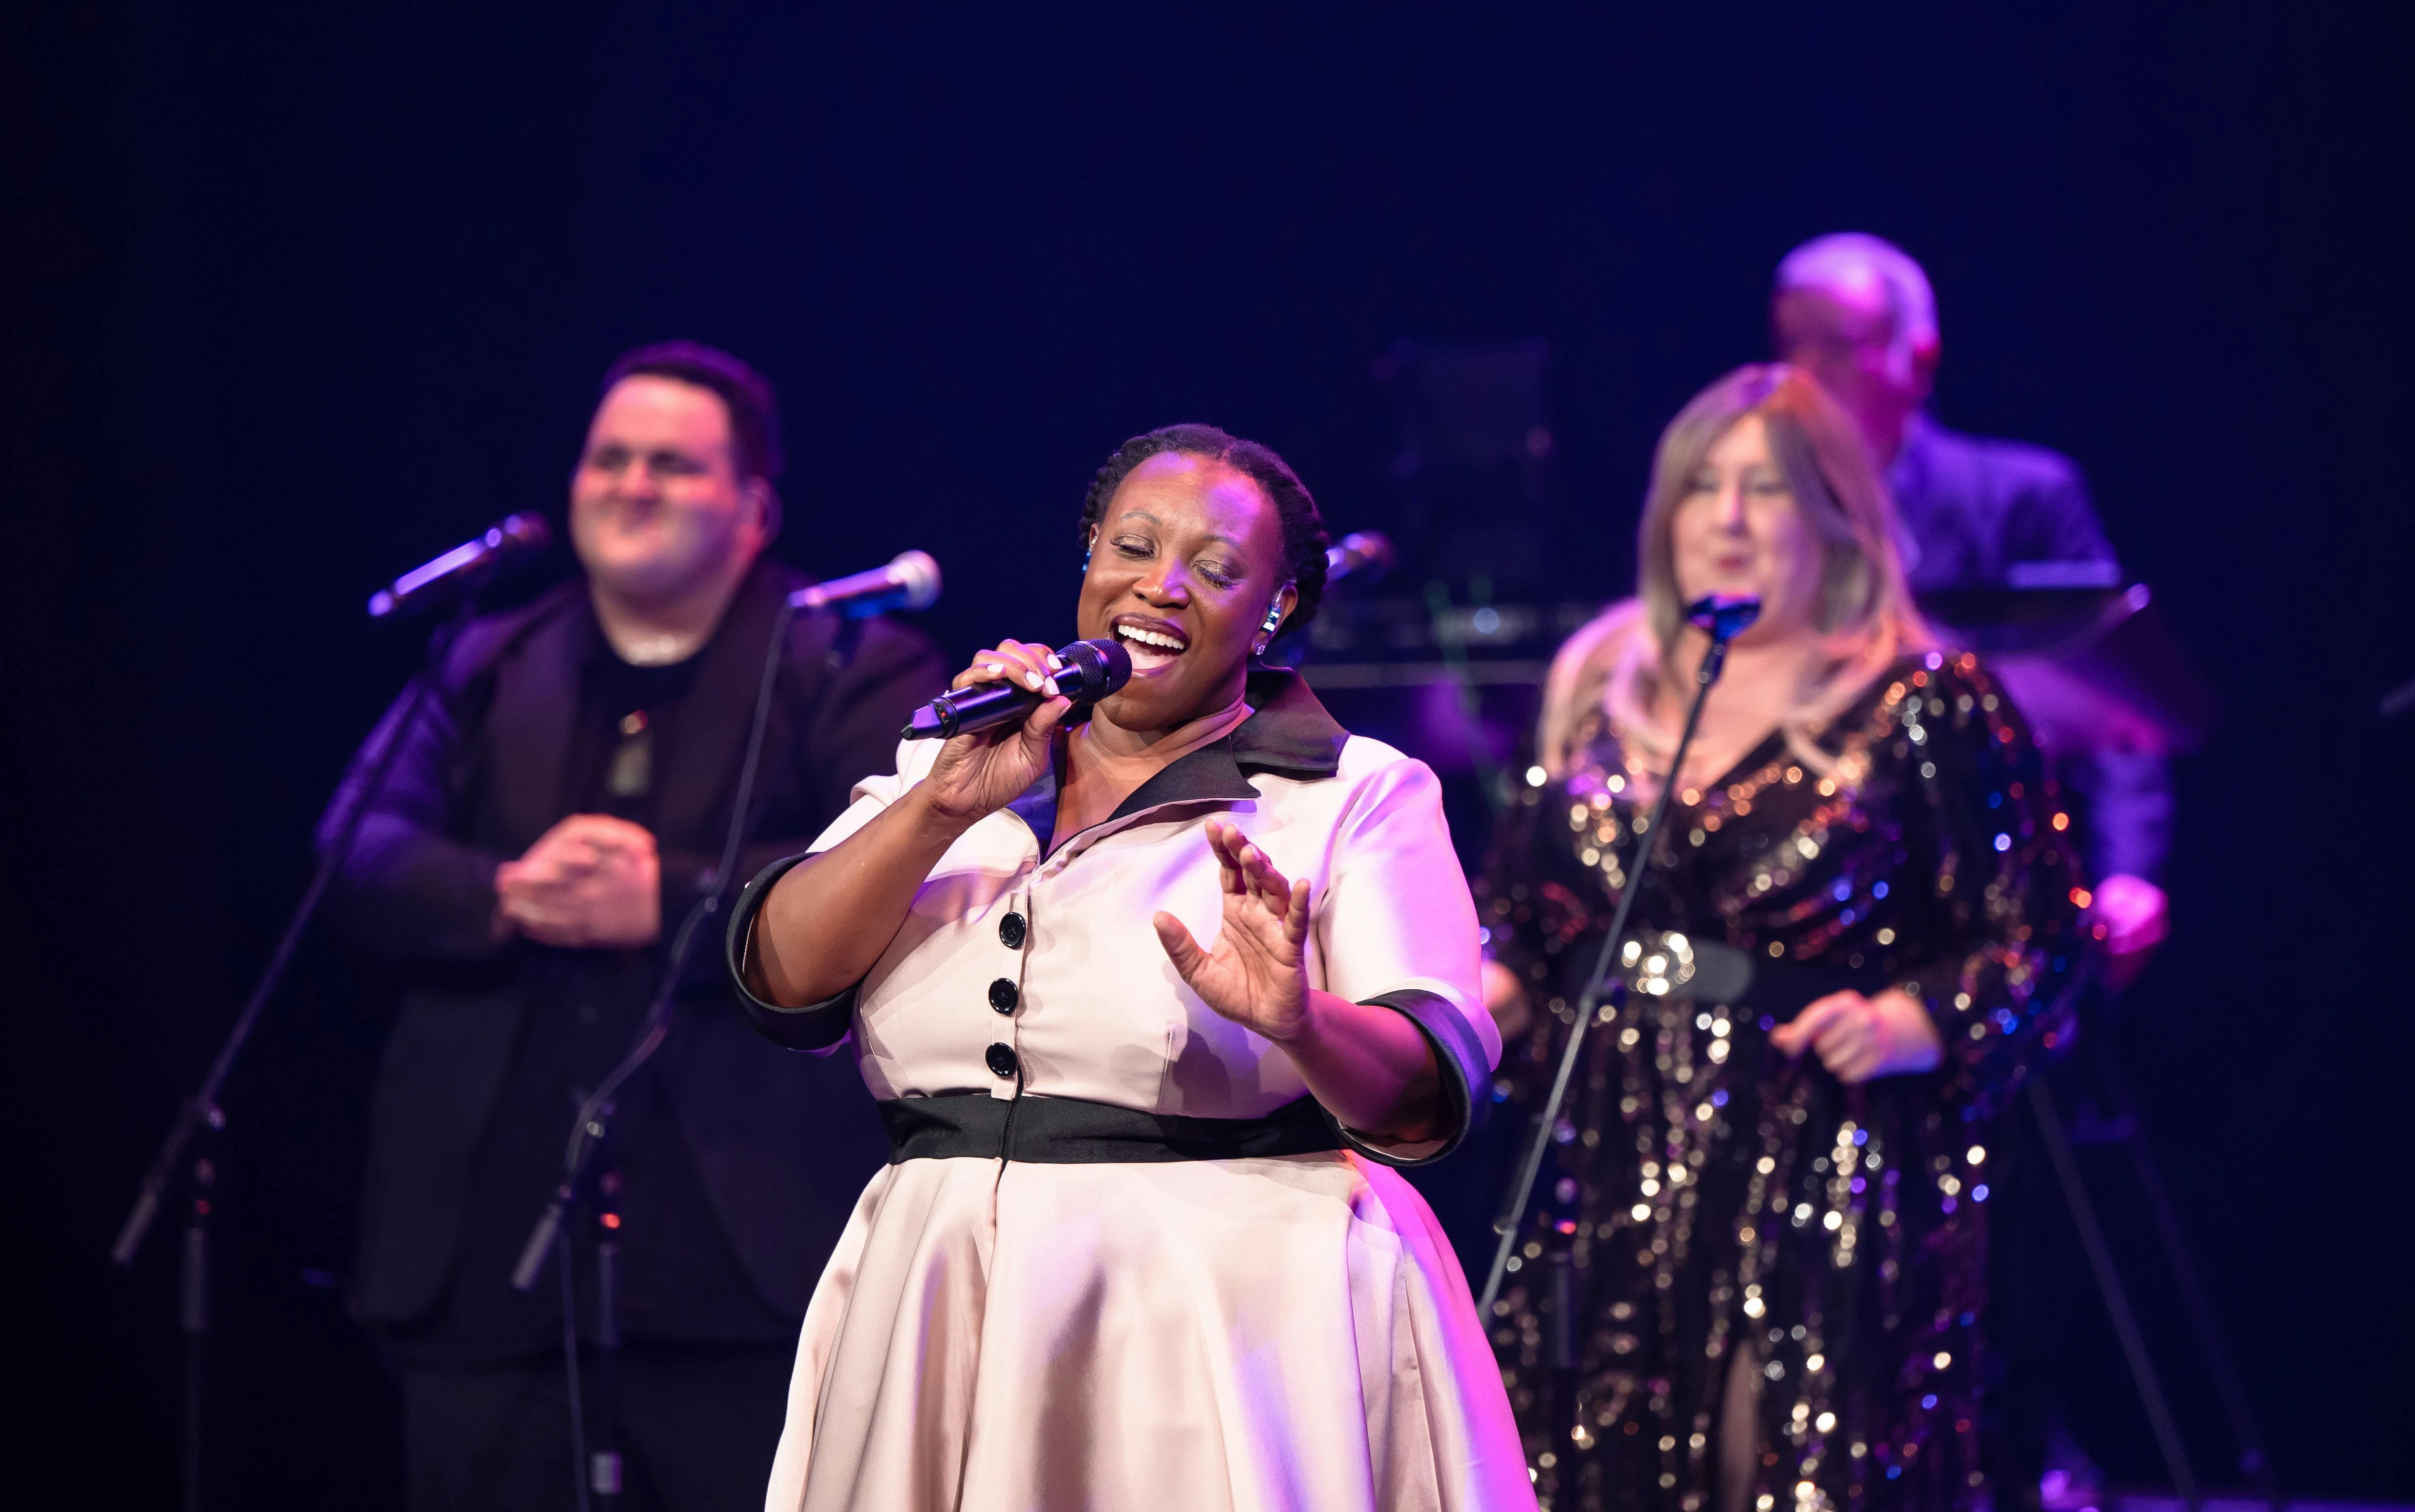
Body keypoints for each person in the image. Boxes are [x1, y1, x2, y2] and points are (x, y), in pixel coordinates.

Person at [726, 423, 1536, 1511]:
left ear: (1276, 609)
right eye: (1133, 547)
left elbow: (1427, 1093)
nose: (1161, 587)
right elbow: (779, 977)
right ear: (1089, 557)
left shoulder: (1351, 793)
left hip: (1218, 1314)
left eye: (1216, 570)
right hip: (934, 1282)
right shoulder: (961, 758)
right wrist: (938, 808)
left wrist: (1298, 1021)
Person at [321, 341, 948, 1510]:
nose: (632, 485)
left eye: (673, 464)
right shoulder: (488, 654)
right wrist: (506, 891)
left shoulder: (849, 661)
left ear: (754, 510)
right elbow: (356, 852)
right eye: (609, 459)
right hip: (484, 1270)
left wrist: (667, 898)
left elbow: (915, 860)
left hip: (750, 1268)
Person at [1477, 366, 2083, 1512]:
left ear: (1834, 518)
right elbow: (1518, 919)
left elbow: (2037, 932)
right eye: (1700, 486)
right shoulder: (1594, 685)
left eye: (1765, 489)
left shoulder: (1922, 697)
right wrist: (1451, 1009)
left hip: (1819, 1145)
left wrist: (1912, 1022)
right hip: (1606, 1144)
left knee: (1784, 1463)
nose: (1728, 518)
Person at [1770, 233, 2167, 982]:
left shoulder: (2021, 496)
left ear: (1918, 360)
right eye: (1791, 345)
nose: (1805, 373)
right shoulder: (1760, 512)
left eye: (1836, 346)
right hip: (1817, 901)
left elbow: (2112, 708)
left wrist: (2128, 873)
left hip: (1998, 887)